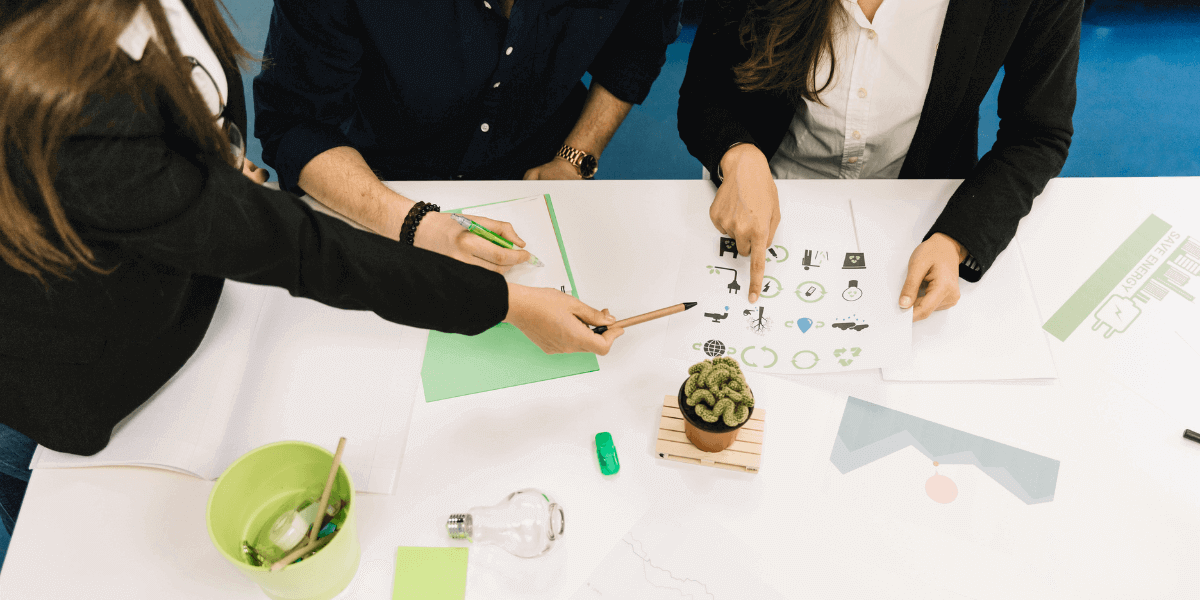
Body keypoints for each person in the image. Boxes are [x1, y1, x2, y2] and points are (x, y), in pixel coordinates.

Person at [0, 0, 624, 565]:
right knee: (74, 544)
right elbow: (305, 251)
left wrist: (206, 163)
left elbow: (189, 114)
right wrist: (505, 303)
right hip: (83, 367)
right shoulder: (71, 100)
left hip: (185, 295)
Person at [677, 0, 1080, 319]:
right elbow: (703, 93)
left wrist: (959, 240)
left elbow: (1038, 133)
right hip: (766, 194)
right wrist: (737, 154)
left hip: (920, 209)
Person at [252, 0, 682, 273]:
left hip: (537, 169)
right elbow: (296, 121)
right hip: (377, 183)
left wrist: (574, 156)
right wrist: (416, 223)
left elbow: (639, 39)